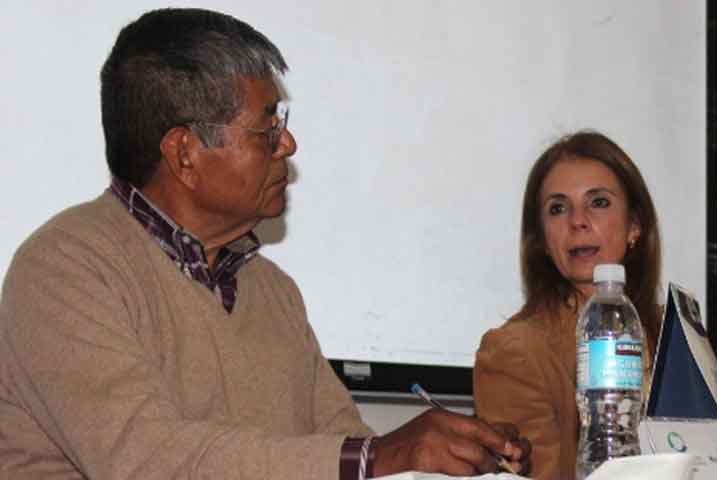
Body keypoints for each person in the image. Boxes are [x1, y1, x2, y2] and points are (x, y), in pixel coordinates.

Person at [0, 8, 529, 480]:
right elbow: (146, 460)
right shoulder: (64, 270)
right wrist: (378, 456)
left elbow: (345, 444)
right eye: (268, 127)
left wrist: (453, 457)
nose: (288, 144)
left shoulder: (273, 290)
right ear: (184, 153)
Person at [473, 131, 662, 480]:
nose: (577, 221)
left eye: (598, 202)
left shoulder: (674, 334)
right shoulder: (514, 352)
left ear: (635, 226)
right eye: (558, 209)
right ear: (544, 241)